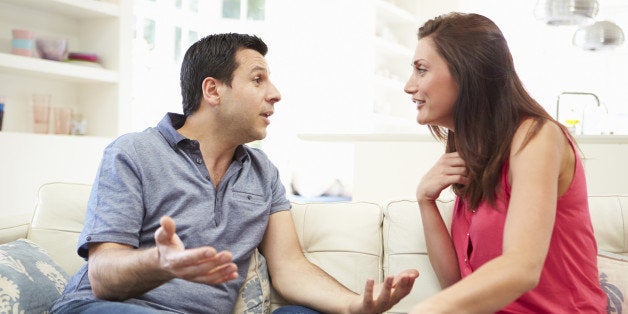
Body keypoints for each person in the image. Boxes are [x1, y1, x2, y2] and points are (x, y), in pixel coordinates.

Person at [50, 33, 419, 314]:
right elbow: (102, 275)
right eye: (258, 80)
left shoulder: (262, 172)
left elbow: (289, 267)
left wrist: (354, 305)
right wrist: (160, 262)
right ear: (212, 90)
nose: (275, 94)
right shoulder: (133, 153)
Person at [403, 12, 606, 313]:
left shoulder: (537, 137)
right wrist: (425, 200)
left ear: (466, 72)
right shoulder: (473, 159)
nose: (409, 86)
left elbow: (522, 268)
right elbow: (458, 285)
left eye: (421, 70)